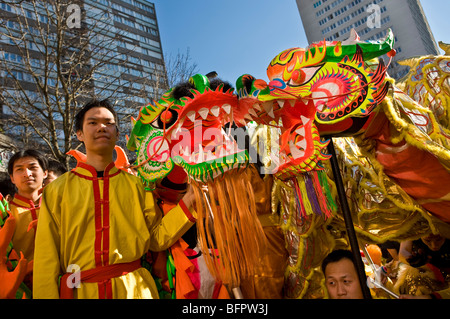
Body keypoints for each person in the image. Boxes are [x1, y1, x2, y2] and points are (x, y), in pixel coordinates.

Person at [33, 99, 197, 299]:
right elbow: (46, 258)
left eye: (109, 123)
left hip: (134, 290)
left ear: (117, 134)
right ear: (80, 134)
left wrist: (190, 199)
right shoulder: (56, 191)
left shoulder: (138, 185)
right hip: (80, 291)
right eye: (93, 123)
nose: (102, 127)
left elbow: (156, 238)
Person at [8, 149, 48, 262]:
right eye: (19, 169)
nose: (27, 174)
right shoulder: (5, 213)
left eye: (33, 167)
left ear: (45, 173)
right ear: (12, 178)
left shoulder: (58, 207)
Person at [398, 233, 450, 299]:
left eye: (438, 239)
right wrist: (411, 260)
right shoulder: (412, 230)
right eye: (428, 240)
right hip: (426, 277)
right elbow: (403, 252)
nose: (434, 246)